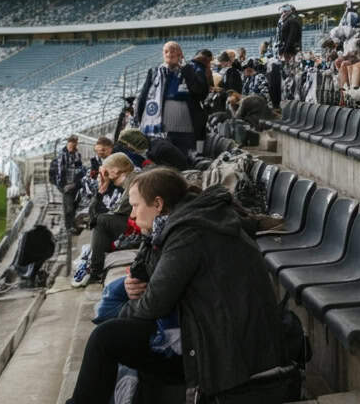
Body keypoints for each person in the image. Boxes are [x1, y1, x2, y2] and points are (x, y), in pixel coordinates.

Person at [65, 169, 284, 404]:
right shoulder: (192, 220)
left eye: (136, 206)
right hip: (226, 337)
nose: (132, 215)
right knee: (126, 331)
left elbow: (153, 304)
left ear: (158, 204)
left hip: (224, 352)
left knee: (105, 338)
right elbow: (150, 275)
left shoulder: (188, 233)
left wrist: (122, 313)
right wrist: (150, 237)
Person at [132, 41, 209, 157]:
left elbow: (201, 93)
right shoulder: (154, 72)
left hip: (185, 128)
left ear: (180, 54)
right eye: (166, 51)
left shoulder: (192, 70)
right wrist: (138, 119)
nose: (169, 53)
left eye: (173, 50)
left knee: (183, 159)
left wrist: (186, 70)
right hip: (159, 128)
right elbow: (143, 97)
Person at [79, 152, 135, 285]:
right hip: (131, 223)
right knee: (101, 222)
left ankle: (95, 269)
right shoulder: (125, 182)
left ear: (115, 170)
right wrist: (101, 191)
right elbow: (93, 218)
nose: (103, 174)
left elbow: (116, 211)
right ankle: (96, 268)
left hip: (136, 226)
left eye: (106, 170)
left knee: (102, 221)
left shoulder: (132, 181)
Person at [51, 135, 85, 231]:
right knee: (68, 207)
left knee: (75, 205)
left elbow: (80, 169)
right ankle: (69, 226)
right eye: (70, 146)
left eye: (73, 145)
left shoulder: (77, 154)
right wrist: (63, 186)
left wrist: (77, 183)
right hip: (66, 185)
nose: (71, 148)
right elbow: (59, 172)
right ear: (67, 144)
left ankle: (72, 224)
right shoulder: (62, 155)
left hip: (75, 184)